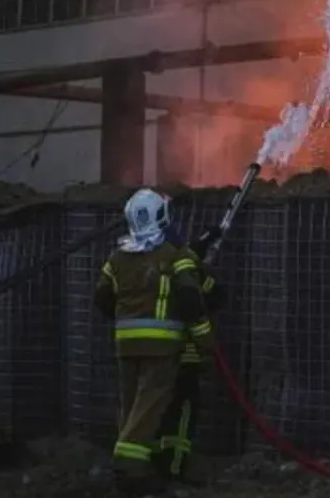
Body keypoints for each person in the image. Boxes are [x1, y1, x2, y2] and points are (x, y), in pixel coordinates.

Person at [92, 189, 215, 497]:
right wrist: (203, 336)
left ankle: (137, 466)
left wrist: (127, 318)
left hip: (126, 346)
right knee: (150, 405)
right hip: (162, 348)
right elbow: (190, 298)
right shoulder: (175, 255)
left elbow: (102, 298)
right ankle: (128, 465)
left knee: (131, 405)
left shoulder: (117, 257)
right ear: (162, 216)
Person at [154, 224, 224, 485]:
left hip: (148, 356)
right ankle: (173, 470)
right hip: (182, 357)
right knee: (182, 415)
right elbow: (214, 298)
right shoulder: (186, 272)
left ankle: (151, 469)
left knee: (155, 413)